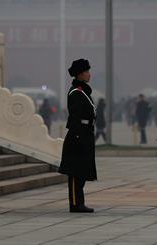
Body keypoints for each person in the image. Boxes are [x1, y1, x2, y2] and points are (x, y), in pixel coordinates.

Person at [58, 58, 97, 213]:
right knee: (75, 173)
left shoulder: (83, 91)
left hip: (85, 135)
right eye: (86, 72)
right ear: (79, 75)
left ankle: (79, 202)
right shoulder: (76, 92)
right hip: (77, 136)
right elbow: (75, 117)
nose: (89, 74)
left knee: (81, 171)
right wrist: (78, 137)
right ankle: (75, 203)